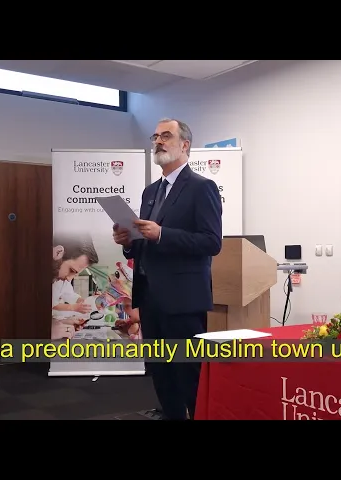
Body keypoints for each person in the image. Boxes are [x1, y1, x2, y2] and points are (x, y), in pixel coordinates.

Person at [113, 118, 223, 420]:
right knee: (161, 374)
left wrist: (162, 234)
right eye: (155, 137)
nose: (158, 141)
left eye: (166, 136)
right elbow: (144, 243)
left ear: (184, 145)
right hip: (150, 298)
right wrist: (128, 242)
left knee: (188, 375)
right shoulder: (150, 192)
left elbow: (212, 242)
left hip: (183, 300)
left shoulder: (202, 188)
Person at [51, 234, 100, 340]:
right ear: (58, 252)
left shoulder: (59, 280)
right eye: (71, 270)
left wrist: (62, 323)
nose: (69, 279)